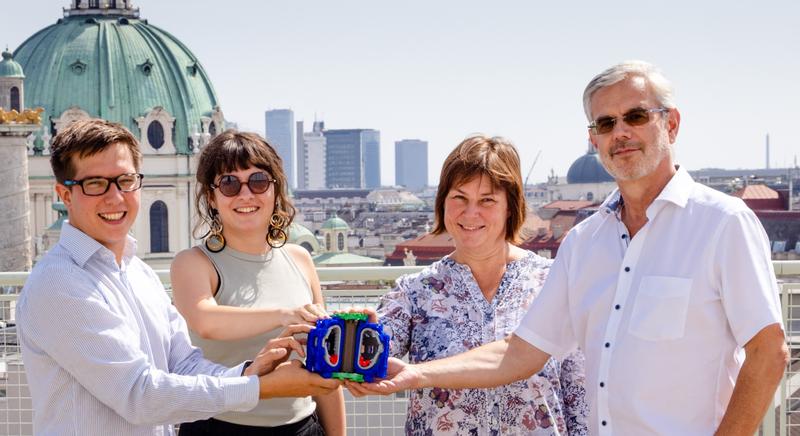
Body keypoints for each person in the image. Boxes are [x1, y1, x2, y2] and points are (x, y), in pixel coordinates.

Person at [348, 61, 789, 436]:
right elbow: (518, 353)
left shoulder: (722, 222)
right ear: (593, 139)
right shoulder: (584, 241)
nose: (620, 133)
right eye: (605, 123)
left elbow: (769, 351)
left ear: (670, 123)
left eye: (635, 116)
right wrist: (415, 373)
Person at [16, 119, 341, 435]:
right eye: (95, 184)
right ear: (65, 194)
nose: (115, 197)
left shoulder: (139, 273)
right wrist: (258, 387)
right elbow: (139, 395)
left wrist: (250, 371)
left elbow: (183, 364)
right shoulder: (58, 283)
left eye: (125, 181)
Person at [370, 135, 587, 435]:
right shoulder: (414, 291)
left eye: (487, 200)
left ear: (510, 207)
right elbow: (371, 350)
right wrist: (356, 337)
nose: (471, 213)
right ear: (442, 203)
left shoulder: (552, 282)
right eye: (459, 197)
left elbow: (580, 396)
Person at [170, 130, 345, 435]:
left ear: (275, 190)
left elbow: (325, 366)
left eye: (259, 181)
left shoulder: (300, 259)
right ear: (211, 197)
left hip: (303, 427)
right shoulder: (194, 263)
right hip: (220, 426)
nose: (246, 194)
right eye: (229, 183)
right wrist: (284, 314)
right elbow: (205, 320)